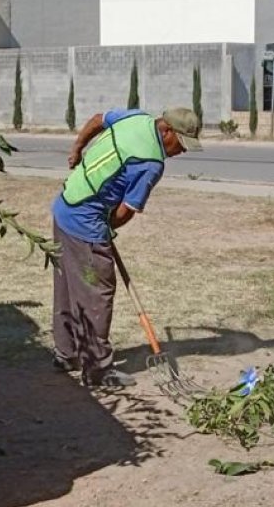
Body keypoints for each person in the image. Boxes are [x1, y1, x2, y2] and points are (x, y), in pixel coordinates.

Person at [50, 106, 202, 387]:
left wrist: (78, 149)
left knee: (69, 287)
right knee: (97, 293)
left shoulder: (135, 117)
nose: (181, 151)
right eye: (180, 144)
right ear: (166, 130)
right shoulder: (151, 163)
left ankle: (66, 353)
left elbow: (97, 120)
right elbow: (126, 210)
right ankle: (96, 370)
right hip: (85, 225)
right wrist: (105, 230)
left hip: (64, 207)